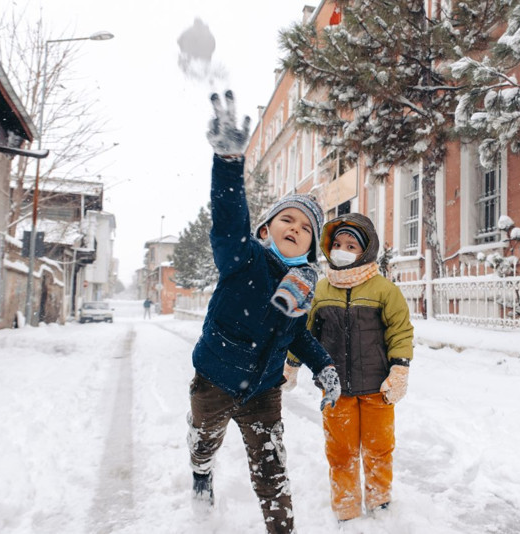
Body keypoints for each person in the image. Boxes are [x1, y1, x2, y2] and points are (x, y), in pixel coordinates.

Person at [187, 90, 341, 533]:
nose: (296, 228)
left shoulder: (304, 286)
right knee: (204, 443)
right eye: (287, 219)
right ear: (265, 229)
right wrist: (229, 162)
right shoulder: (243, 259)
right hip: (215, 380)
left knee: (272, 470)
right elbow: (227, 214)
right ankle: (200, 471)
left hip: (263, 393)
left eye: (306, 227)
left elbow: (297, 335)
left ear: (312, 246)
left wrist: (323, 365)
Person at [284, 213, 414, 522]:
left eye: (351, 244)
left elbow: (400, 331)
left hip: (377, 389)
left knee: (378, 449)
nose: (342, 249)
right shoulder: (322, 291)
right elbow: (305, 334)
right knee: (340, 452)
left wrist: (399, 370)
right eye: (338, 243)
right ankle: (346, 507)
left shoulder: (384, 290)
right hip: (334, 389)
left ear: (366, 250)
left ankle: (380, 501)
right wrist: (291, 365)